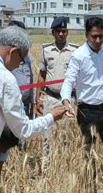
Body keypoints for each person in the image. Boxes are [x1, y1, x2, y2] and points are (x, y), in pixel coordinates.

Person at [0, 26, 66, 192]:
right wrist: (51, 117)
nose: (18, 66)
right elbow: (23, 130)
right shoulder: (5, 78)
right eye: (20, 61)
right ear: (13, 52)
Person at [61, 17, 103, 168]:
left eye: (101, 36)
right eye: (94, 36)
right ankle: (90, 185)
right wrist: (66, 102)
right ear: (86, 35)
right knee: (89, 153)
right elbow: (68, 81)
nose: (98, 40)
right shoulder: (78, 55)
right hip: (87, 111)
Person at [34, 16, 78, 163]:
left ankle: (65, 166)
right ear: (53, 32)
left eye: (64, 31)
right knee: (49, 135)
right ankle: (47, 168)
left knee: (68, 135)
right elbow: (41, 75)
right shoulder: (46, 50)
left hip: (69, 100)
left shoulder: (74, 51)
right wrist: (37, 99)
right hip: (51, 99)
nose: (61, 34)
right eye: (58, 31)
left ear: (67, 32)